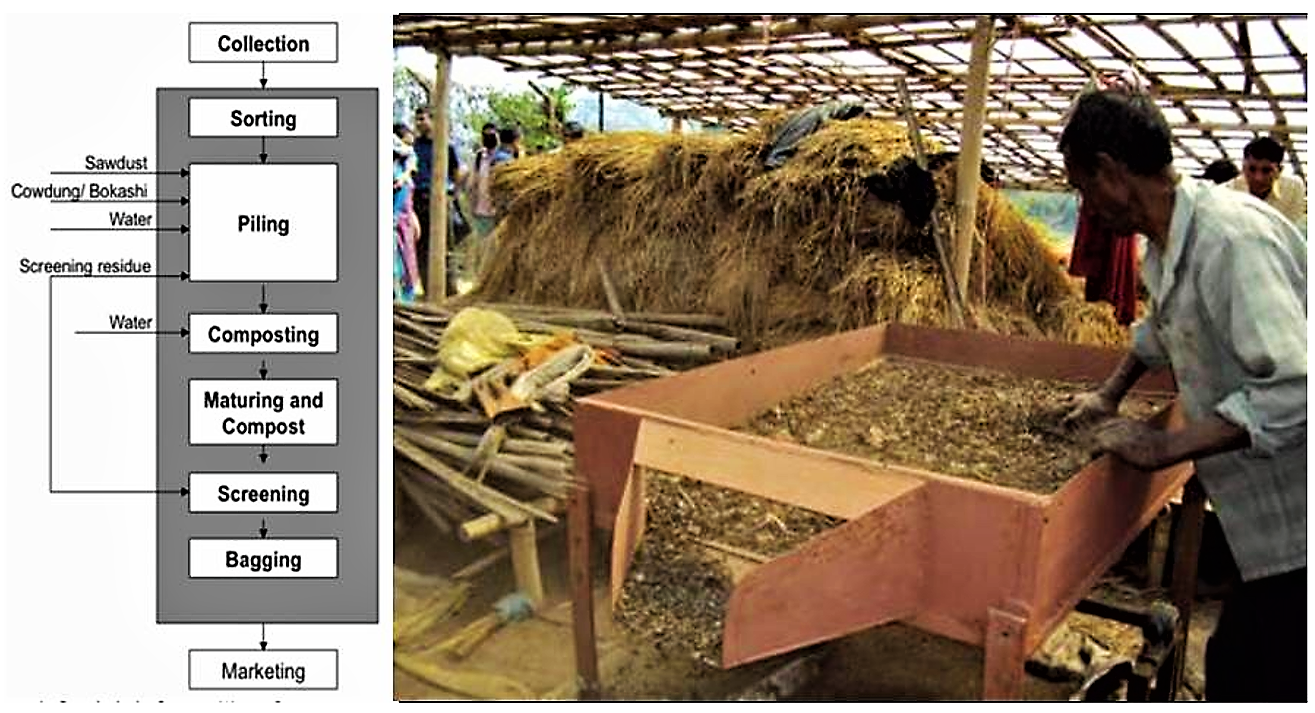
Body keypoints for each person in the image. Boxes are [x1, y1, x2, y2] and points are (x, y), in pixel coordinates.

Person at [1059, 89, 1306, 702]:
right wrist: (1108, 397)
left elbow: (1298, 390)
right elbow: (1161, 330)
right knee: (1237, 661)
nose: (1085, 206)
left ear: (1112, 173)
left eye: (1083, 187)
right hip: (1265, 528)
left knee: (1261, 676)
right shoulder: (1169, 237)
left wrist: (1162, 446)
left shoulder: (1232, 242)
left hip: (1299, 523)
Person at [1227, 136, 1306, 224]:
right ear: (1243, 168)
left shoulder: (1293, 188)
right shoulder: (1229, 192)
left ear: (1279, 171)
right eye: (1252, 169)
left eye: (1266, 170)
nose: (1258, 178)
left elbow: (1293, 228)